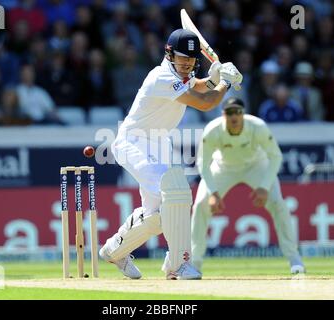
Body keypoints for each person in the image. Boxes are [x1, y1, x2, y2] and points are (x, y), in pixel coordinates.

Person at [99, 29, 243, 280]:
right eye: (182, 58)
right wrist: (225, 83)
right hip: (133, 141)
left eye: (191, 59)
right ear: (169, 54)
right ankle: (178, 264)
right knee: (175, 193)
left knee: (155, 214)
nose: (187, 63)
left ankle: (114, 250)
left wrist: (213, 78)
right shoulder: (162, 76)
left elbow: (198, 86)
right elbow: (205, 102)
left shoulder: (179, 74)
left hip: (158, 142)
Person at [191, 97, 305, 275]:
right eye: (229, 112)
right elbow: (203, 164)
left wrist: (264, 187)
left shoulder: (257, 126)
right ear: (223, 115)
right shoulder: (212, 130)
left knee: (278, 204)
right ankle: (195, 263)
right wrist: (213, 193)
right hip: (223, 168)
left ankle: (294, 259)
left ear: (243, 114)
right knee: (200, 205)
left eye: (237, 112)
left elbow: (275, 156)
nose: (234, 116)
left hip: (256, 166)